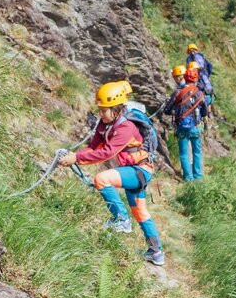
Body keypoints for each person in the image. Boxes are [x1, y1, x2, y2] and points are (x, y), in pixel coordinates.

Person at [59, 81, 164, 266]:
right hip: (131, 171)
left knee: (102, 179)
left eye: (104, 110)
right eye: (100, 110)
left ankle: (121, 219)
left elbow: (107, 152)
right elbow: (93, 147)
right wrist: (74, 156)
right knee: (140, 212)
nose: (101, 113)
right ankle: (156, 253)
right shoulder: (105, 123)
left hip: (139, 171)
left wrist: (76, 158)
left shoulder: (127, 128)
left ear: (116, 109)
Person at [164, 65, 208, 181]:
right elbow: (204, 112)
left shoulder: (178, 92)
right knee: (197, 153)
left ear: (184, 77)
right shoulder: (199, 93)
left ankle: (188, 178)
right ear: (196, 79)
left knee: (184, 153)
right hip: (196, 127)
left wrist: (176, 110)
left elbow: (167, 110)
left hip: (182, 127)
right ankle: (198, 177)